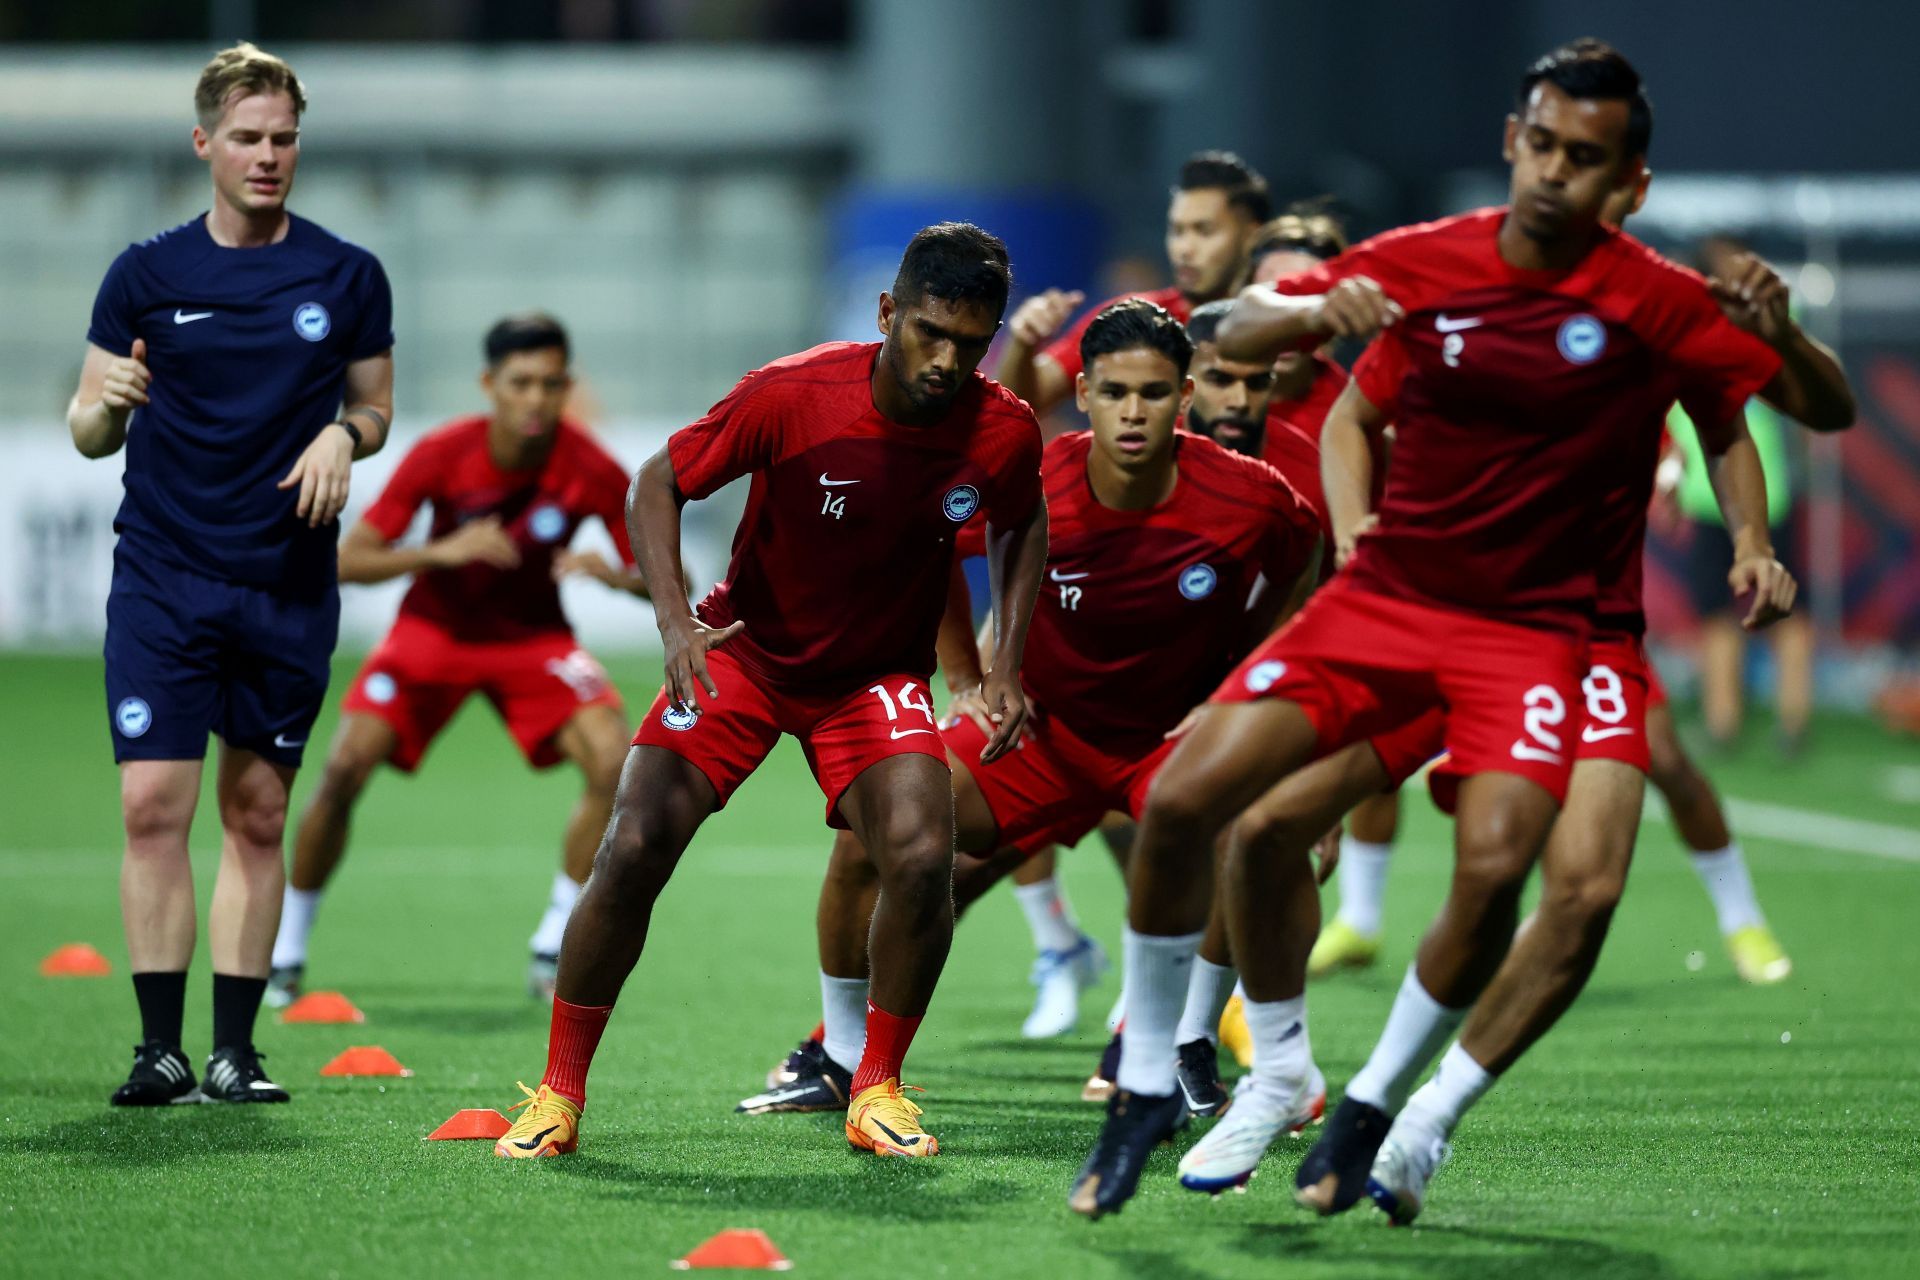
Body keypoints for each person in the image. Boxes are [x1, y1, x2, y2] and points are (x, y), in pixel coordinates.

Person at [1069, 39, 1817, 1220]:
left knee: (1553, 882)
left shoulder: (1653, 302)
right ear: (1514, 137)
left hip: (1556, 634)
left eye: (1586, 158)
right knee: (1224, 814)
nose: (1553, 173)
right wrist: (1315, 336)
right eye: (1542, 143)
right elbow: (1247, 336)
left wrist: (1766, 460)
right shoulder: (1429, 267)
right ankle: (1193, 1076)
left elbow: (1788, 407)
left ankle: (1398, 1109)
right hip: (1392, 604)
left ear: (1629, 184)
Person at [492, 224, 1048, 1160]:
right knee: (632, 844)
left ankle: (875, 1087)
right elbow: (658, 482)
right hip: (744, 654)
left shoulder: (1001, 429)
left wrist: (1006, 665)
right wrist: (674, 626)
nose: (947, 360)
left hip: (871, 680)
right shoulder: (793, 394)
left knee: (919, 853)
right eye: (928, 333)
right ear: (886, 315)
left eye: (971, 340)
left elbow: (1022, 525)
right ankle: (558, 1092)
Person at [737, 300, 1321, 1118]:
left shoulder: (1253, 498)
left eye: (1154, 394)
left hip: (1169, 743)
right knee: (878, 820)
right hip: (1039, 734)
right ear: (1081, 393)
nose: (1133, 412)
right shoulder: (1033, 482)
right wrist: (971, 679)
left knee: (1246, 844)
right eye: (1115, 392)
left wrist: (1242, 682)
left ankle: (1184, 1044)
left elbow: (1308, 570)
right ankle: (839, 1055)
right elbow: (926, 546)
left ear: (1184, 400)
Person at [67, 43, 394, 1106]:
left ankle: (235, 1051)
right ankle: (158, 1046)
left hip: (286, 582)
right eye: (248, 137)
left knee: (258, 815)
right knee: (155, 805)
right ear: (203, 143)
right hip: (164, 575)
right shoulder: (144, 274)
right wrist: (107, 399)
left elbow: (377, 406)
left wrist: (349, 432)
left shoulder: (348, 274)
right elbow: (85, 429)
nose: (269, 156)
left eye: (285, 137)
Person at [267, 314, 647, 1009]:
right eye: (521, 383)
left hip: (534, 640)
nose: (536, 398)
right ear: (489, 385)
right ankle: (286, 946)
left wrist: (612, 574)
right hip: (433, 633)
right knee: (346, 766)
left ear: (567, 386)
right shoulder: (443, 453)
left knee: (614, 759)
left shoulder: (592, 468)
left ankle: (555, 935)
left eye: (551, 384)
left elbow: (659, 577)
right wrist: (437, 553)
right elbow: (348, 560)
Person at [1667, 244, 1815, 756]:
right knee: (1742, 613)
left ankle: (1745, 723)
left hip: (1745, 491)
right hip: (1730, 493)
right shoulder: (1687, 328)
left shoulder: (1701, 328)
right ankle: (1748, 722)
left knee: (1744, 613)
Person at [995, 152, 1271, 420]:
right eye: (1177, 231)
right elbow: (1016, 409)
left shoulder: (1286, 327)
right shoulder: (1132, 319)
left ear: (1252, 235)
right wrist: (1023, 343)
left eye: (1203, 231)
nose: (1184, 248)